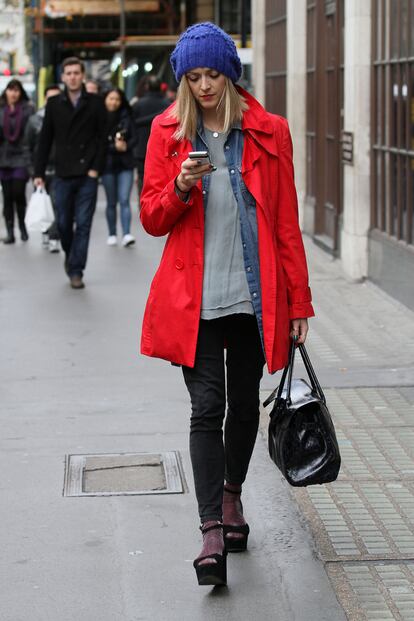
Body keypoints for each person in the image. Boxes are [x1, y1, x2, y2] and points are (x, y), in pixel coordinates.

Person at [139, 23, 315, 587]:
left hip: (252, 298)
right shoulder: (168, 132)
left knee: (244, 407)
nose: (204, 85)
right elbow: (152, 217)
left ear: (231, 73)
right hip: (194, 300)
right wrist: (181, 188)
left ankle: (233, 495)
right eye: (193, 77)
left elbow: (286, 223)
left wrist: (299, 305)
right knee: (204, 409)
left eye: (213, 74)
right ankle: (211, 528)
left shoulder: (270, 134)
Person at [34, 57, 107, 289]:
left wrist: (96, 169)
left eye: (77, 72)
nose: (73, 77)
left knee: (83, 223)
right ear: (63, 77)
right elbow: (45, 140)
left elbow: (102, 138)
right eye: (69, 73)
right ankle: (70, 253)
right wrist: (39, 172)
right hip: (63, 172)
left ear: (82, 75)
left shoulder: (95, 102)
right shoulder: (54, 104)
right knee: (64, 223)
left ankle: (76, 270)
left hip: (88, 174)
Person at [25, 83, 61, 253]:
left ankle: (54, 236)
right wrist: (33, 170)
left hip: (61, 168)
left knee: (56, 204)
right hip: (41, 169)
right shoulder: (34, 120)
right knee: (44, 202)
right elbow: (29, 146)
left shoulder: (66, 118)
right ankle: (46, 231)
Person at [0, 79, 34, 244]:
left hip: (22, 156)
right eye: (10, 90)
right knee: (6, 197)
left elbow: (32, 133)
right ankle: (10, 231)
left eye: (16, 90)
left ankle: (22, 225)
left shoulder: (28, 110)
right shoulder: (1, 110)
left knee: (18, 193)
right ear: (6, 92)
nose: (13, 93)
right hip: (3, 158)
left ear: (20, 93)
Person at [101, 88, 136, 247]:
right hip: (107, 164)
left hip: (125, 164)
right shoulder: (99, 118)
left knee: (124, 199)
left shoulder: (127, 117)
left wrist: (126, 146)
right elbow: (96, 142)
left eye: (117, 99)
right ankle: (112, 233)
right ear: (105, 100)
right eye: (110, 98)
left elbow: (135, 138)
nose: (113, 102)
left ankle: (127, 233)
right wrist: (114, 147)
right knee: (111, 201)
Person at [131, 75, 169, 196]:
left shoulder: (138, 104)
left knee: (143, 178)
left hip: (141, 149)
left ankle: (143, 205)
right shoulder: (168, 104)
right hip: (164, 147)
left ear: (146, 87)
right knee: (163, 178)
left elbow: (131, 124)